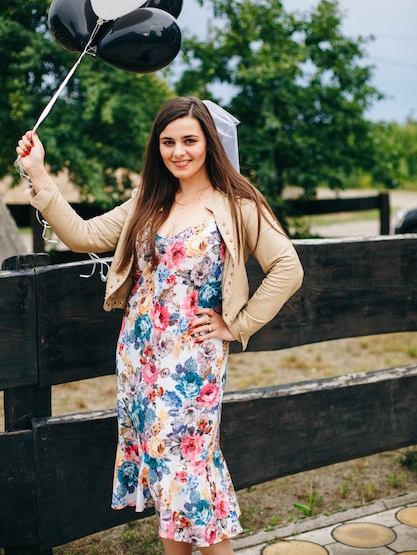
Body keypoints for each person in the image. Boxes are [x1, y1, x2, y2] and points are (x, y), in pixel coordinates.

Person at [16, 96, 303, 555]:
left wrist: (239, 324)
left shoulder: (237, 204)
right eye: (168, 142)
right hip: (139, 358)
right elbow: (82, 236)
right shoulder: (148, 200)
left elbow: (288, 267)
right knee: (168, 477)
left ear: (209, 143)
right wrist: (40, 173)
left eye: (190, 140)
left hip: (193, 364)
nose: (179, 151)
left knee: (188, 474)